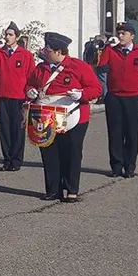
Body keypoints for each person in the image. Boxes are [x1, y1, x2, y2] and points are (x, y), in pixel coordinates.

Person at [25, 32, 102, 203]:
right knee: (49, 152)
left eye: (48, 50)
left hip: (73, 117)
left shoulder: (79, 66)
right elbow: (30, 84)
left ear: (59, 51)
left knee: (72, 153)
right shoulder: (41, 68)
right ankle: (53, 189)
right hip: (46, 116)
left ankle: (71, 190)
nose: (44, 52)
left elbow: (96, 89)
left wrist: (81, 95)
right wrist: (30, 91)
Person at [99, 22, 138, 179]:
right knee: (115, 133)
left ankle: (130, 166)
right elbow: (101, 66)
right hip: (114, 97)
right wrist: (106, 47)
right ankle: (116, 167)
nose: (120, 36)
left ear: (132, 36)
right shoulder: (111, 51)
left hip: (134, 98)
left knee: (131, 133)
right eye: (119, 33)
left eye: (123, 33)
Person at [0, 21, 34, 171]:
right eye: (6, 34)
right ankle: (7, 160)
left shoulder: (25, 55)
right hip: (2, 95)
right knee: (4, 129)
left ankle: (16, 160)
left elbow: (31, 75)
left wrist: (29, 95)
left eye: (10, 35)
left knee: (17, 129)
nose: (7, 37)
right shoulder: (0, 52)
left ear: (17, 37)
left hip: (19, 97)